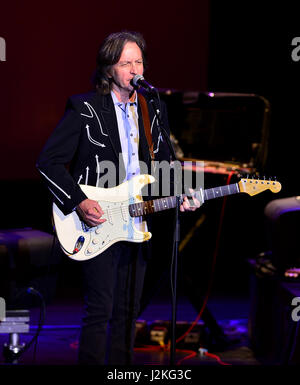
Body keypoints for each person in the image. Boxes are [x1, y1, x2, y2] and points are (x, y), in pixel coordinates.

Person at [36, 31, 201, 365]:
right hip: (95, 220)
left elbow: (165, 163)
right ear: (108, 68)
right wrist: (79, 201)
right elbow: (48, 162)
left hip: (136, 219)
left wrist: (182, 191)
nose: (134, 68)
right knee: (100, 310)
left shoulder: (152, 106)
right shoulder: (85, 108)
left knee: (128, 312)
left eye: (138, 61)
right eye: (126, 63)